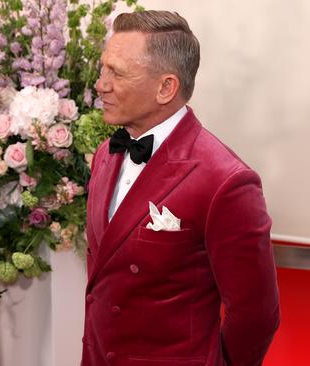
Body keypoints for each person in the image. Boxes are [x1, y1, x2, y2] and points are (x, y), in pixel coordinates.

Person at [82, 10, 279, 366]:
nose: (101, 85)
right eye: (103, 69)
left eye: (118, 73)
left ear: (166, 88)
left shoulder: (227, 181)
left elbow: (256, 315)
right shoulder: (104, 156)